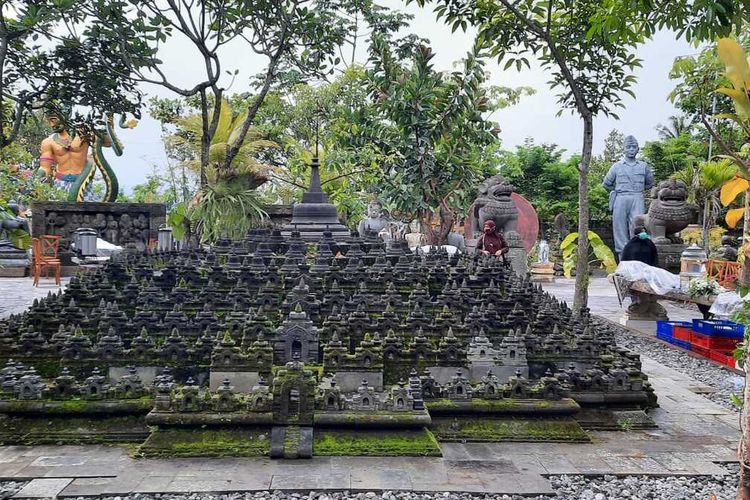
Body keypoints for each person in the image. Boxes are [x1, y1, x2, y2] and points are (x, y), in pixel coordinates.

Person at [602, 135, 655, 257]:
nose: (631, 149)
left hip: (637, 197)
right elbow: (606, 183)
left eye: (634, 147)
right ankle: (622, 257)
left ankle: (638, 254)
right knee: (619, 227)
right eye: (628, 147)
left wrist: (637, 190)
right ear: (624, 149)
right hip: (620, 198)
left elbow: (650, 183)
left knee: (637, 225)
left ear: (638, 149)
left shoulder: (643, 166)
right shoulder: (616, 166)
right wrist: (619, 190)